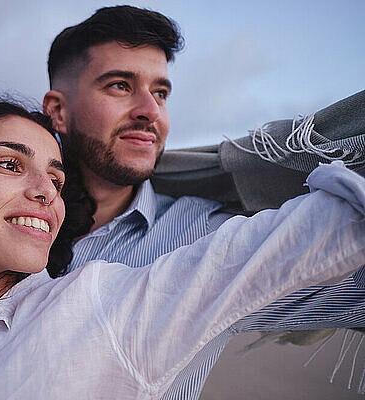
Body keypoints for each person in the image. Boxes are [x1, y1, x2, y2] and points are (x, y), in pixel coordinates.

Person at [0, 35, 365, 400]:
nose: (44, 193)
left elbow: (306, 242)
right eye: (9, 165)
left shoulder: (103, 309)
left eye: (162, 92)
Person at [41, 6, 365, 398]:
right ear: (58, 111)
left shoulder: (207, 237)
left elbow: (345, 291)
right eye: (120, 86)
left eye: (160, 92)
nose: (150, 111)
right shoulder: (2, 219)